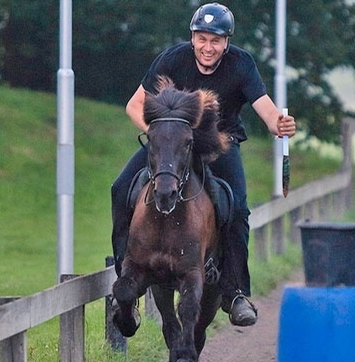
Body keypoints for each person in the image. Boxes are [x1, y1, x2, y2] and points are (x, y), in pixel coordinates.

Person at [111, 2, 296, 326]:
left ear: (226, 43)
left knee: (237, 209)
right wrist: (160, 137)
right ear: (192, 38)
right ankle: (126, 284)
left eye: (216, 40)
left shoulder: (241, 64)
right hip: (170, 144)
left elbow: (267, 111)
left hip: (218, 145)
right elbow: (135, 105)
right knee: (120, 189)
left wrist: (280, 124)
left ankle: (235, 292)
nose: (208, 47)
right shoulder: (172, 59)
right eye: (202, 39)